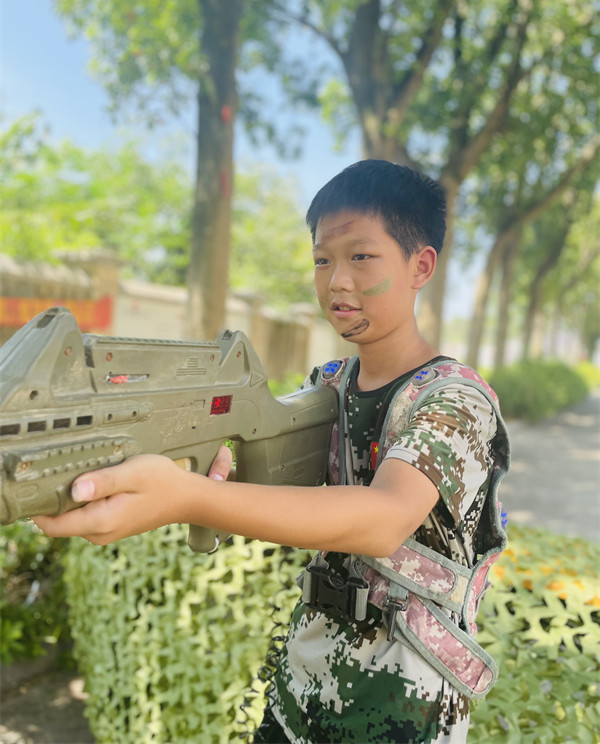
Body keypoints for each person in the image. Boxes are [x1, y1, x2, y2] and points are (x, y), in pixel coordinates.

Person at [35, 160, 509, 744]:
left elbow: (384, 519)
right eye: (322, 260)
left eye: (361, 256)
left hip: (405, 709)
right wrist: (206, 473)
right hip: (299, 694)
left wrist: (189, 497)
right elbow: (278, 492)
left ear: (421, 266)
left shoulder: (455, 400)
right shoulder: (329, 384)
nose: (336, 281)